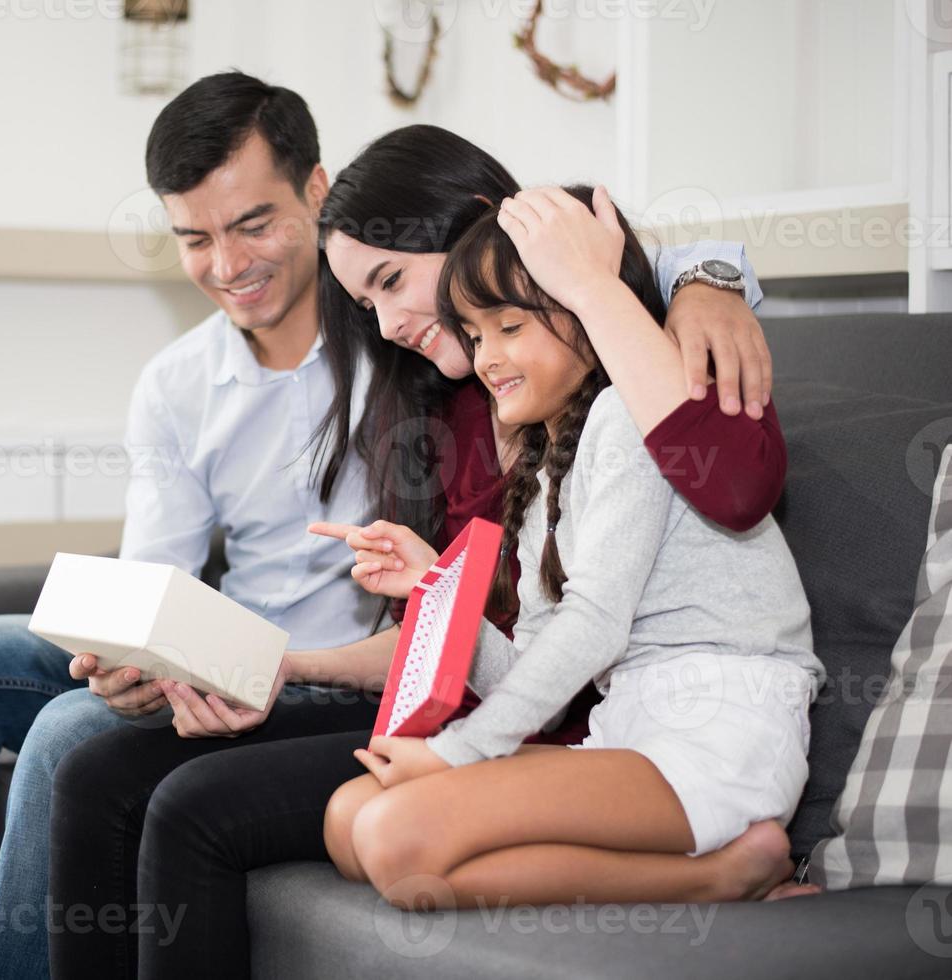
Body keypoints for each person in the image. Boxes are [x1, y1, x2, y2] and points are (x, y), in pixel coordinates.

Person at [45, 126, 789, 980]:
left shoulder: (599, 381)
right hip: (511, 703)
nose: (390, 325)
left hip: (593, 728)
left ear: (480, 229)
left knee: (194, 808)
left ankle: (717, 877)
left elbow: (707, 490)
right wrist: (275, 668)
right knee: (95, 763)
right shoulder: (449, 409)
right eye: (365, 305)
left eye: (393, 282)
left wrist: (708, 275)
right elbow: (455, 637)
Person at [0, 72, 384, 980]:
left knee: (70, 735)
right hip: (220, 642)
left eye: (253, 224)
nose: (227, 266)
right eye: (194, 238)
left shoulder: (407, 337)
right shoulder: (178, 383)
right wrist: (130, 653)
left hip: (328, 681)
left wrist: (706, 280)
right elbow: (156, 576)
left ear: (316, 190)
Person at [321, 184, 824, 912]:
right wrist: (439, 587)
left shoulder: (631, 413)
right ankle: (717, 872)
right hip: (631, 730)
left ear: (588, 318)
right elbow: (523, 670)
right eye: (475, 333)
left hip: (718, 729)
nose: (487, 356)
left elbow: (596, 624)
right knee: (346, 822)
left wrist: (459, 753)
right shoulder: (544, 467)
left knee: (397, 842)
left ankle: (721, 875)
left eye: (510, 327)